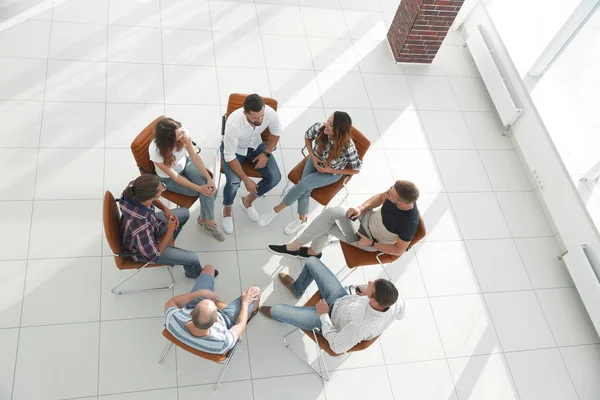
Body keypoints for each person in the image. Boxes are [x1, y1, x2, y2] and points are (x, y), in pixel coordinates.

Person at [260, 257, 405, 354]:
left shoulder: (359, 327)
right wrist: (367, 293)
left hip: (329, 321)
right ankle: (297, 289)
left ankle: (276, 315)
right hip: (341, 299)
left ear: (374, 302)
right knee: (312, 262)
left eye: (371, 287)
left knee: (277, 310)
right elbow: (401, 314)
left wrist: (323, 315)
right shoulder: (395, 300)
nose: (369, 282)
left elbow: (336, 347)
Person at [258, 111, 362, 234]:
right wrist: (313, 157)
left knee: (302, 185)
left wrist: (330, 170)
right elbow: (307, 137)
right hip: (314, 160)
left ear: (339, 130)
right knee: (304, 190)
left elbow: (356, 169)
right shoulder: (319, 127)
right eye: (328, 120)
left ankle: (275, 211)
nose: (326, 125)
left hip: (330, 173)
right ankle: (302, 220)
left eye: (331, 124)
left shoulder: (348, 146)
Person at [267, 180, 420, 259]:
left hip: (369, 239)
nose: (388, 194)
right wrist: (361, 208)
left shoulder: (409, 223)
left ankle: (296, 247)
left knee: (328, 219)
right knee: (328, 219)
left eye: (390, 195)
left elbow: (398, 251)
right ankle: (312, 252)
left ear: (401, 203)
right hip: (364, 219)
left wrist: (372, 243)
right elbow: (380, 198)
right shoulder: (394, 194)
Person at [119, 174, 212, 279]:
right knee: (192, 258)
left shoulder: (134, 188)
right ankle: (195, 274)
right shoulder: (141, 226)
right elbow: (153, 255)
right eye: (161, 190)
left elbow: (152, 199)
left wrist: (165, 210)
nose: (163, 188)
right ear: (150, 198)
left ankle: (168, 248)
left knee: (184, 213)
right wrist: (169, 231)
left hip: (151, 227)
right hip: (144, 250)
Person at [149, 117, 224, 242]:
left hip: (186, 164)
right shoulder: (155, 151)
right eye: (179, 134)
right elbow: (174, 176)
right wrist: (200, 188)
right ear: (169, 139)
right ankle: (209, 223)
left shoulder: (183, 133)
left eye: (181, 130)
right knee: (209, 192)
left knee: (210, 189)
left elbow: (194, 156)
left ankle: (204, 221)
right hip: (168, 179)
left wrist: (208, 179)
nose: (183, 133)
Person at [221, 94, 283, 234]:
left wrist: (266, 152)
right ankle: (227, 209)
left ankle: (247, 202)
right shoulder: (234, 125)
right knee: (234, 182)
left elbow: (277, 131)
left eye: (261, 115)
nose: (260, 120)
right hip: (235, 150)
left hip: (256, 146)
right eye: (255, 118)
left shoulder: (268, 112)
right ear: (245, 113)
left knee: (275, 177)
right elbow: (229, 155)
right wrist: (246, 179)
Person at [164, 265, 260, 354]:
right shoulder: (223, 341)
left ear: (192, 313)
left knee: (208, 268)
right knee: (255, 292)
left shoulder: (172, 318)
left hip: (197, 309)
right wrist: (245, 302)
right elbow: (241, 324)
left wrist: (200, 293)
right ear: (216, 320)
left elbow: (172, 301)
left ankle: (203, 300)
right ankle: (253, 311)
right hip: (226, 320)